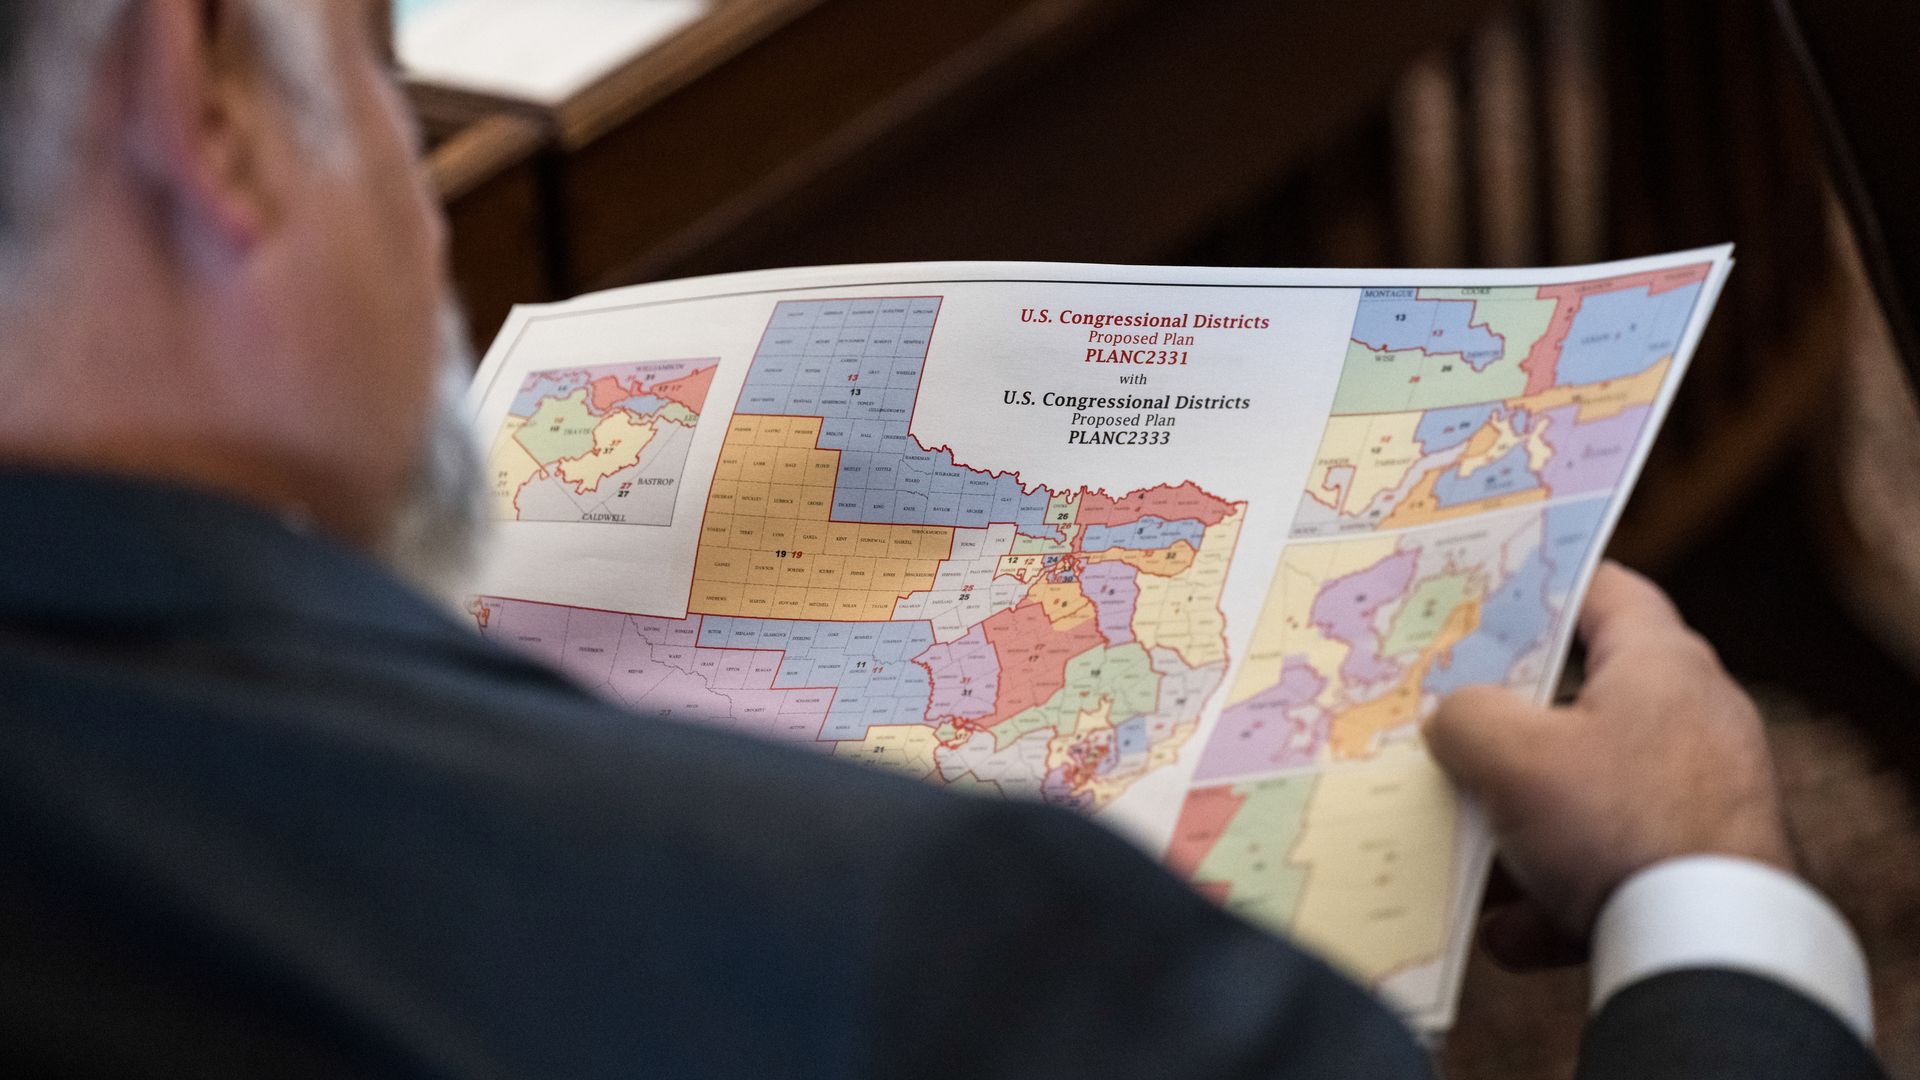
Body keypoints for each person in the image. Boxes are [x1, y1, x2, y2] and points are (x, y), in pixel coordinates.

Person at [0, 3, 1887, 1077]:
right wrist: (1706, 889)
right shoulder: (918, 948)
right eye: (380, 75)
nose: (430, 215)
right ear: (211, 110)